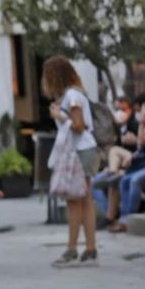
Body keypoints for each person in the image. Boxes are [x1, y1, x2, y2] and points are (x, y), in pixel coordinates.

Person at [42, 56, 99, 267]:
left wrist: (59, 116)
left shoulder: (71, 96)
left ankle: (72, 249)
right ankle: (90, 248)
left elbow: (78, 125)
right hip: (86, 149)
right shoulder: (77, 93)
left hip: (79, 151)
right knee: (86, 201)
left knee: (74, 201)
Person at [107, 89, 145, 234]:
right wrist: (142, 123)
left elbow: (142, 141)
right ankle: (122, 219)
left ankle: (126, 221)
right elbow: (142, 142)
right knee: (124, 180)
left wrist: (141, 123)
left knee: (135, 180)